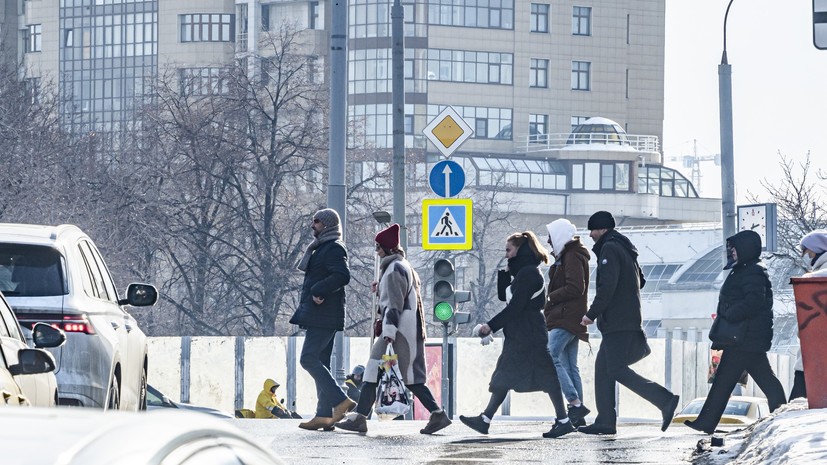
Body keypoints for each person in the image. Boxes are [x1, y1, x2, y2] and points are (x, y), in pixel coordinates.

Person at [335, 224, 452, 435]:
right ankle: (362, 417)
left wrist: (387, 331)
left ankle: (436, 414)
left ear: (387, 249)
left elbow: (395, 304)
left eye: (379, 247)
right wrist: (380, 288)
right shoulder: (402, 266)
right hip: (406, 330)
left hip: (396, 331)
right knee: (394, 374)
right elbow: (399, 296)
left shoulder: (394, 269)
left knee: (396, 374)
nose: (376, 252)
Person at [459, 231, 575, 439]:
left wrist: (490, 326)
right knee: (509, 374)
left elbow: (514, 308)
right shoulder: (524, 273)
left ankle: (563, 420)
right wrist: (506, 273)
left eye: (509, 250)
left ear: (520, 250)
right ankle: (485, 419)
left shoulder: (529, 274)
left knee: (539, 375)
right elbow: (506, 296)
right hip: (524, 333)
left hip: (528, 334)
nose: (506, 255)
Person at [580, 211, 680, 435]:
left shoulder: (610, 249)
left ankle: (664, 399)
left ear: (603, 229)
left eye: (593, 229)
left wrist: (591, 314)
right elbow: (641, 281)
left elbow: (607, 287)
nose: (590, 234)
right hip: (625, 319)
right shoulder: (625, 248)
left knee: (614, 369)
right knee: (603, 370)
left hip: (619, 322)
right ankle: (605, 420)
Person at [684, 230, 787, 434]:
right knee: (745, 379)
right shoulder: (745, 269)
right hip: (745, 338)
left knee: (728, 381)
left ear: (746, 249)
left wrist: (730, 313)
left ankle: (707, 421)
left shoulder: (753, 271)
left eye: (734, 249)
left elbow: (754, 301)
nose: (731, 252)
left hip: (746, 338)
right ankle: (782, 412)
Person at [290, 208, 355, 431]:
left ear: (326, 225)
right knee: (322, 362)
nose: (312, 225)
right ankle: (324, 415)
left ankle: (340, 400)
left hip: (324, 316)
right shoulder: (322, 248)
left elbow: (342, 276)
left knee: (307, 359)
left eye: (316, 222)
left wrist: (319, 290)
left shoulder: (334, 248)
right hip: (321, 315)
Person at [544, 219, 591, 427]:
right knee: (570, 366)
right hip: (571, 316)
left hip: (566, 317)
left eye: (551, 237)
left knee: (549, 355)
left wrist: (551, 297)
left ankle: (574, 402)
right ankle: (577, 417)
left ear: (560, 236)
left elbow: (575, 287)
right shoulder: (568, 255)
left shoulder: (571, 256)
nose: (547, 241)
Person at [788, 230, 827, 400]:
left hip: (813, 354)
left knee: (798, 400)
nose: (806, 255)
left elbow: (806, 319)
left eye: (807, 251)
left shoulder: (815, 278)